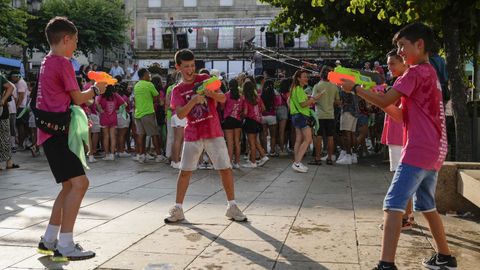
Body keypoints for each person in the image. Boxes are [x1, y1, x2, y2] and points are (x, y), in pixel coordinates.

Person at [340, 22, 456, 270]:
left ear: (419, 44)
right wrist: (371, 93)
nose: (400, 52)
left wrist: (357, 89)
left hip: (418, 148)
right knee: (426, 205)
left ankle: (386, 264)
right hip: (434, 150)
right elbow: (399, 113)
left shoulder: (414, 73)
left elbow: (385, 100)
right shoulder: (430, 73)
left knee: (393, 204)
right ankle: (445, 257)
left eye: (402, 46)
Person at [35, 17, 107, 261]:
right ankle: (65, 245)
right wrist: (97, 88)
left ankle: (49, 239)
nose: (76, 46)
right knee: (80, 184)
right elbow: (78, 98)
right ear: (66, 39)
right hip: (59, 133)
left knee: (69, 186)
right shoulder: (63, 63)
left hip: (48, 132)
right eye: (75, 41)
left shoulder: (46, 61)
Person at [164, 49, 247, 223]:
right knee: (185, 172)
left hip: (213, 131)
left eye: (193, 65)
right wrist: (193, 100)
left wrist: (211, 94)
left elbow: (223, 99)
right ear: (178, 67)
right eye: (186, 66)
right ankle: (178, 209)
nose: (190, 69)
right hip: (192, 134)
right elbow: (179, 114)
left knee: (225, 168)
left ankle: (232, 206)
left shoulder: (204, 80)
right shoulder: (177, 90)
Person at [380, 49, 415, 230]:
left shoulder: (405, 80)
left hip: (400, 133)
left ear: (404, 63)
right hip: (397, 133)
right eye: (388, 64)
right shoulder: (402, 81)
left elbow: (391, 106)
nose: (389, 67)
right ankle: (406, 216)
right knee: (402, 176)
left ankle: (405, 217)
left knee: (402, 177)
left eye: (393, 63)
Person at [289, 70, 321, 173]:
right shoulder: (298, 89)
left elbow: (291, 101)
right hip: (302, 116)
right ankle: (297, 163)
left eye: (307, 76)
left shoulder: (295, 89)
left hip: (296, 116)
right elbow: (303, 104)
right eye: (304, 76)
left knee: (299, 139)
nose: (306, 78)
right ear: (299, 78)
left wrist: (310, 98)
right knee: (308, 139)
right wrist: (313, 99)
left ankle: (297, 162)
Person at [133, 68, 164, 163]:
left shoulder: (136, 85)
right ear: (144, 75)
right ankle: (159, 155)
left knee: (141, 135)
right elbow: (156, 96)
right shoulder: (149, 84)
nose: (149, 76)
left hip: (138, 114)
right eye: (148, 74)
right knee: (154, 134)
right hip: (148, 113)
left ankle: (141, 155)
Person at [309, 70, 340, 165]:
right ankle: (329, 158)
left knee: (319, 137)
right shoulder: (334, 86)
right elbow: (338, 102)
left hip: (320, 115)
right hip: (330, 115)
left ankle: (318, 158)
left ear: (321, 76)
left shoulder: (317, 86)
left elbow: (313, 100)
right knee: (330, 137)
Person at [242, 80, 269, 168]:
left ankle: (253, 162)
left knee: (251, 143)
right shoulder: (258, 97)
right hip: (258, 121)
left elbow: (245, 113)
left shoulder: (246, 99)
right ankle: (263, 156)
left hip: (250, 121)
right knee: (255, 141)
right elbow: (264, 108)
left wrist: (241, 114)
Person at [96, 85, 126, 161]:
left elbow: (96, 102)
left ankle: (107, 155)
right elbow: (124, 104)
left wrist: (100, 110)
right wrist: (118, 111)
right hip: (113, 117)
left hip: (104, 117)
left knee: (106, 136)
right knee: (113, 137)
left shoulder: (101, 95)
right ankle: (112, 155)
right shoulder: (115, 95)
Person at [221, 79, 244, 169]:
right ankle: (237, 162)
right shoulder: (241, 96)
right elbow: (242, 109)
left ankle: (229, 162)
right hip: (238, 120)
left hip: (228, 120)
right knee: (237, 142)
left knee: (230, 143)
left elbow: (222, 108)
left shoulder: (226, 95)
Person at [0, 75, 18, 170]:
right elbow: (10, 87)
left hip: (2, 111)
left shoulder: (0, 78)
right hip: (3, 110)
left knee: (5, 135)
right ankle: (9, 162)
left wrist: (3, 99)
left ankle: (9, 162)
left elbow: (11, 87)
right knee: (5, 136)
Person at [260, 79, 278, 156]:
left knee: (264, 135)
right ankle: (272, 151)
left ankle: (265, 151)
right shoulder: (274, 95)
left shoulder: (261, 95)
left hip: (263, 116)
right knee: (273, 135)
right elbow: (277, 106)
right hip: (272, 116)